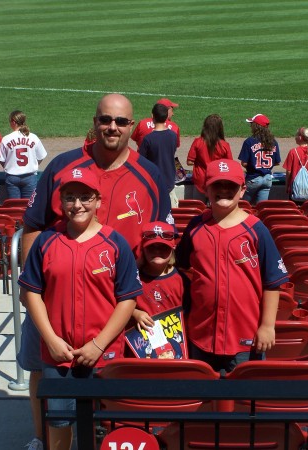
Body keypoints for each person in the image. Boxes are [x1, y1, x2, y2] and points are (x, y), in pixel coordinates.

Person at [18, 93, 172, 450]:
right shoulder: (63, 166)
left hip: (121, 303)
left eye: (120, 122)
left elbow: (161, 243)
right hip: (54, 298)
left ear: (132, 127)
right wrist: (34, 290)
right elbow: (33, 226)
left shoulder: (149, 174)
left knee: (114, 385)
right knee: (44, 371)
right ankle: (43, 438)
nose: (112, 127)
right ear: (95, 120)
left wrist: (135, 302)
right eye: (105, 120)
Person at [18, 167, 142, 450]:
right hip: (58, 353)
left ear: (98, 200)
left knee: (103, 423)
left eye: (85, 197)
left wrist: (98, 345)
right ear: (60, 201)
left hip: (104, 353)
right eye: (70, 197)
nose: (77, 205)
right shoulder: (47, 241)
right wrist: (50, 340)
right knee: (59, 421)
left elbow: (128, 299)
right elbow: (32, 293)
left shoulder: (114, 242)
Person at [176, 159, 288, 376]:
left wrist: (267, 326)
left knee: (243, 400)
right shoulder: (195, 227)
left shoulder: (257, 230)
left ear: (243, 189)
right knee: (203, 399)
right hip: (201, 333)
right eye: (217, 185)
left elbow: (272, 282)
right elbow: (179, 266)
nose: (224, 190)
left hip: (246, 335)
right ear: (205, 188)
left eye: (231, 186)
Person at [132, 221, 190, 332]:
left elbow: (189, 315)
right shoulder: (134, 278)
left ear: (172, 249)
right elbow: (118, 303)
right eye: (151, 247)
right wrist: (135, 313)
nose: (157, 251)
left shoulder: (182, 280)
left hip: (176, 340)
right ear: (143, 249)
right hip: (142, 341)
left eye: (163, 247)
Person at [0, 110, 47, 199]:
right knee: (28, 206)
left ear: (13, 122)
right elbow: (41, 156)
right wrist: (33, 164)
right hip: (30, 177)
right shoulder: (33, 137)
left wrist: (9, 166)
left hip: (12, 178)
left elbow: (1, 159)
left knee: (14, 206)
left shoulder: (6, 139)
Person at [138, 104, 178, 207]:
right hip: (169, 181)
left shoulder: (148, 139)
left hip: (154, 182)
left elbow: (141, 161)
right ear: (166, 117)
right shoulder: (173, 136)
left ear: (152, 116)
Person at [187, 114, 233, 201]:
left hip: (200, 180)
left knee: (198, 207)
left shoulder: (198, 142)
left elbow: (189, 162)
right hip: (217, 180)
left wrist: (200, 161)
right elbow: (229, 163)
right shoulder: (224, 145)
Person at [238, 114, 281, 205]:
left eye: (252, 124)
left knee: (243, 206)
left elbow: (244, 163)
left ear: (256, 126)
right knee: (260, 208)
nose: (250, 126)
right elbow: (277, 162)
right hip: (267, 179)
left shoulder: (249, 141)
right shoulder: (273, 142)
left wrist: (254, 164)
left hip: (253, 179)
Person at [283, 127, 308, 205]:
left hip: (294, 190)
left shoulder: (293, 152)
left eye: (296, 135)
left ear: (300, 137)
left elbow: (288, 172)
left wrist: (287, 185)